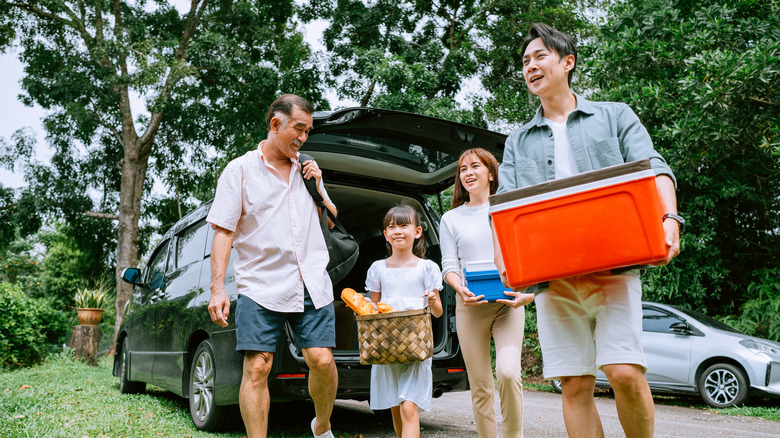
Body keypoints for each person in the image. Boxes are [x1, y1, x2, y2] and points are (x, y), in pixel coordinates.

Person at [494, 23, 682, 438]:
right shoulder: (517, 141)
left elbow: (655, 168)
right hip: (554, 281)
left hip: (613, 269)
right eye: (525, 62)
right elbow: (505, 208)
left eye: (540, 56)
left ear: (567, 62)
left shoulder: (614, 115)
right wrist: (507, 265)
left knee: (623, 372)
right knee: (575, 383)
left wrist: (670, 219)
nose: (530, 66)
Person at [207, 94, 338, 438]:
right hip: (260, 283)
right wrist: (218, 287)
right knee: (257, 366)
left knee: (322, 360)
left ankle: (321, 425)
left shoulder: (307, 168)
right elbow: (223, 231)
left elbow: (334, 222)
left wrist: (319, 187)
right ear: (275, 124)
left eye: (308, 131)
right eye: (299, 128)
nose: (303, 138)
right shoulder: (240, 170)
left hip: (311, 280)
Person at [439, 148, 533, 438]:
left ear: (491, 173)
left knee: (507, 372)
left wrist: (528, 294)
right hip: (470, 307)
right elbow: (449, 265)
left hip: (509, 304)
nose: (468, 172)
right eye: (462, 169)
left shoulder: (509, 208)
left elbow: (529, 258)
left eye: (475, 166)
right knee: (480, 385)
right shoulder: (451, 219)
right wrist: (459, 288)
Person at [365, 204, 444, 438]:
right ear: (386, 235)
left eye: (403, 225)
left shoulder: (427, 268)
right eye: (391, 226)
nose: (397, 231)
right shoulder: (378, 269)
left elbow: (438, 312)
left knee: (409, 406)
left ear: (417, 231)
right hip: (386, 347)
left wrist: (431, 300)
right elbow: (373, 310)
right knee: (395, 407)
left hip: (416, 348)